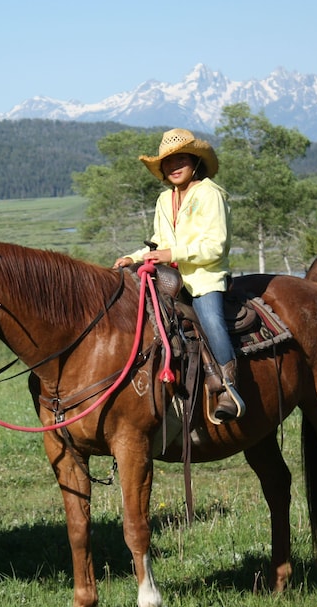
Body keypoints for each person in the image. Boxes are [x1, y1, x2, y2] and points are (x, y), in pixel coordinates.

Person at [113, 128, 245, 423]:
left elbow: (215, 245)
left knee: (210, 319)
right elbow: (159, 241)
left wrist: (172, 255)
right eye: (168, 163)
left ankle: (227, 386)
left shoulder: (210, 194)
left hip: (204, 279)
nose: (174, 167)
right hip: (170, 281)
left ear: (195, 162)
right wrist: (133, 258)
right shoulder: (164, 200)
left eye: (180, 160)